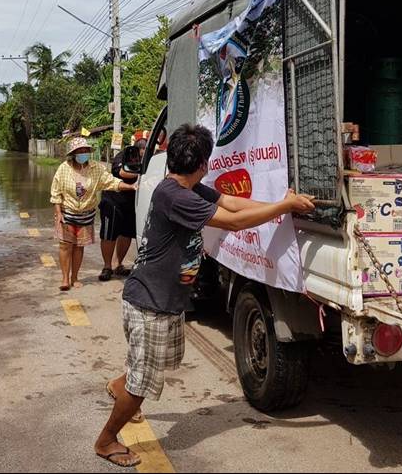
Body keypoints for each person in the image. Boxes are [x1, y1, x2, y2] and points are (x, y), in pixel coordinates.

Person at [93, 124, 315, 467]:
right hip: (148, 302)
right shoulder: (177, 197)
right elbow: (234, 222)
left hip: (165, 301)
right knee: (142, 384)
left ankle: (118, 385)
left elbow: (232, 202)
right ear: (203, 164)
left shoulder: (188, 186)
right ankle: (106, 440)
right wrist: (284, 207)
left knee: (160, 363)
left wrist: (280, 204)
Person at [50, 137, 136, 291]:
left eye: (85, 151)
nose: (83, 153)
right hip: (67, 212)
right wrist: (58, 213)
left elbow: (111, 182)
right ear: (73, 154)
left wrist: (131, 186)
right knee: (65, 245)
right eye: (79, 151)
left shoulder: (96, 168)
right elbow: (56, 192)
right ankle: (64, 279)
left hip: (86, 214)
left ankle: (74, 277)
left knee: (79, 247)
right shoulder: (64, 168)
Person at [98, 138, 147, 282]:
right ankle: (107, 267)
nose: (143, 158)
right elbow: (121, 173)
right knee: (109, 234)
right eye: (142, 154)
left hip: (131, 202)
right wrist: (142, 174)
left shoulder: (149, 158)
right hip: (113, 200)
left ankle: (118, 264)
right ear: (137, 150)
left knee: (126, 234)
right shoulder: (124, 154)